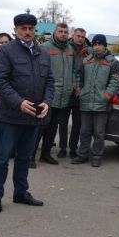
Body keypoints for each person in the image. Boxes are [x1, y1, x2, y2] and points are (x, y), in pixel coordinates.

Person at [0, 13, 53, 213]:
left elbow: (50, 81)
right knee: (2, 158)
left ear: (35, 30)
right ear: (15, 29)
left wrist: (47, 102)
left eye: (31, 29)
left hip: (33, 116)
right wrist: (18, 103)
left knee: (25, 158)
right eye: (23, 28)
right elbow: (0, 81)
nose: (27, 32)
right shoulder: (5, 51)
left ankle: (21, 193)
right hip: (10, 116)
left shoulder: (43, 54)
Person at [72, 34, 119, 167]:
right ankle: (82, 155)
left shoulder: (112, 62)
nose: (97, 47)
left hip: (102, 103)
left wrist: (106, 95)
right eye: (95, 44)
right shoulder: (87, 60)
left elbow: (116, 81)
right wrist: (79, 91)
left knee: (99, 133)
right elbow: (78, 76)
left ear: (105, 46)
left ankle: (97, 156)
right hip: (86, 101)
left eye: (100, 44)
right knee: (84, 131)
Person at [36, 23, 74, 165]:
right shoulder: (45, 48)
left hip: (63, 96)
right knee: (41, 127)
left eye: (66, 31)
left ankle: (45, 154)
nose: (63, 34)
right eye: (60, 31)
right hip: (48, 95)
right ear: (55, 32)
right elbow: (39, 71)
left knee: (53, 128)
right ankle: (29, 156)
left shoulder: (70, 49)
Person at [68, 27, 91, 158]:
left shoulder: (89, 50)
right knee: (63, 123)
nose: (80, 39)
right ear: (73, 35)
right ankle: (63, 148)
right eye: (78, 36)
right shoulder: (66, 47)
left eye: (82, 36)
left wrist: (80, 88)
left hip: (81, 91)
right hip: (67, 89)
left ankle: (73, 148)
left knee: (78, 124)